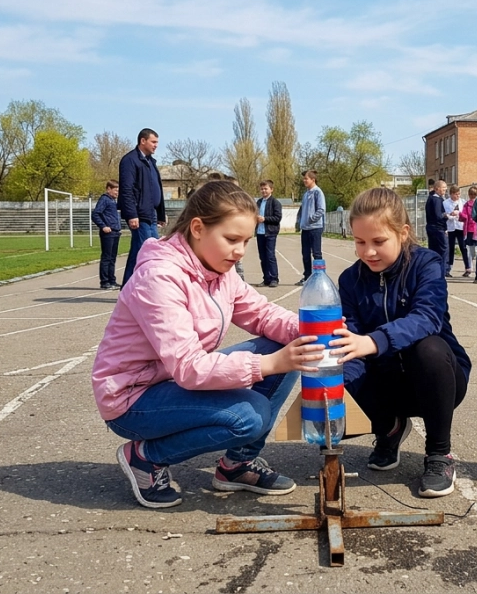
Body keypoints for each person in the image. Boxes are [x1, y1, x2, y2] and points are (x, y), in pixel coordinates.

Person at [92, 180, 326, 509]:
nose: (240, 251)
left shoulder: (218, 271)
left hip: (172, 379)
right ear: (198, 228)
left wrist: (319, 330)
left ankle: (236, 466)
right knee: (250, 415)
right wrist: (272, 365)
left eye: (245, 241)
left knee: (284, 342)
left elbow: (261, 314)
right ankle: (145, 458)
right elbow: (190, 369)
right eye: (231, 239)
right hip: (132, 397)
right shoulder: (160, 277)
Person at [328, 188, 472, 498]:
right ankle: (390, 428)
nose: (369, 252)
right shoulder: (350, 281)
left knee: (428, 348)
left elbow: (428, 317)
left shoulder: (426, 264)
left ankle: (439, 454)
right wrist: (337, 395)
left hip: (439, 381)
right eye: (359, 242)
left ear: (403, 233)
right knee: (335, 372)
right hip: (387, 383)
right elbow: (349, 344)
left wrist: (374, 341)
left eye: (379, 242)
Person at [119, 128, 166, 286]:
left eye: (157, 142)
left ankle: (129, 286)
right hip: (139, 214)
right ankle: (136, 287)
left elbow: (155, 188)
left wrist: (160, 214)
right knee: (146, 252)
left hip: (151, 214)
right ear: (143, 141)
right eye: (153, 142)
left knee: (143, 251)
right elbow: (127, 189)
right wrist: (132, 214)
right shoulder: (130, 160)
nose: (156, 145)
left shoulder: (151, 162)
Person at [295, 170, 326, 285]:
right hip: (306, 228)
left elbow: (321, 209)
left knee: (316, 253)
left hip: (315, 227)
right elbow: (302, 210)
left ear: (313, 180)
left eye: (306, 178)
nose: (304, 180)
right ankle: (307, 276)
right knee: (305, 253)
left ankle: (319, 277)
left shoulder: (318, 192)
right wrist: (300, 222)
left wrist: (311, 219)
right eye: (303, 179)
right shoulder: (306, 193)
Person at [91, 180, 122, 289]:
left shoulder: (114, 201)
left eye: (118, 190)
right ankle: (104, 282)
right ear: (108, 189)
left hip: (115, 232)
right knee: (106, 257)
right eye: (115, 190)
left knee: (112, 258)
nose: (117, 192)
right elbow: (95, 214)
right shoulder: (104, 199)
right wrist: (103, 226)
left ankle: (111, 280)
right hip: (108, 232)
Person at [256, 180, 283, 287]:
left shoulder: (275, 203)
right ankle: (266, 278)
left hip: (270, 233)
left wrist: (264, 219)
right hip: (260, 233)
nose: (263, 190)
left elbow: (277, 218)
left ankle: (274, 278)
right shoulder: (258, 202)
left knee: (270, 256)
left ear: (271, 189)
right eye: (262, 189)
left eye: (265, 188)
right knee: (262, 257)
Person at [445, 186, 470, 277]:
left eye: (459, 194)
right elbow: (446, 214)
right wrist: (451, 215)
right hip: (451, 227)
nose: (458, 196)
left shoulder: (463, 202)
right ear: (451, 194)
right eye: (456, 194)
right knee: (450, 248)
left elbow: (465, 214)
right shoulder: (445, 203)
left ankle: (467, 267)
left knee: (463, 247)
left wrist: (458, 215)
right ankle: (448, 268)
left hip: (460, 227)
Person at [425, 180, 449, 271]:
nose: (445, 190)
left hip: (430, 227)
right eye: (443, 188)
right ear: (437, 189)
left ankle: (433, 270)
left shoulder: (430, 198)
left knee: (433, 250)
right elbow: (438, 215)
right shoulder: (437, 200)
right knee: (443, 250)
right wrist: (447, 216)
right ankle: (442, 270)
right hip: (438, 229)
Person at [459, 186, 477, 275]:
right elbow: (463, 215)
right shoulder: (466, 204)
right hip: (469, 230)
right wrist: (460, 214)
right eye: (471, 194)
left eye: (474, 194)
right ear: (468, 194)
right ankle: (469, 268)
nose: (472, 196)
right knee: (470, 250)